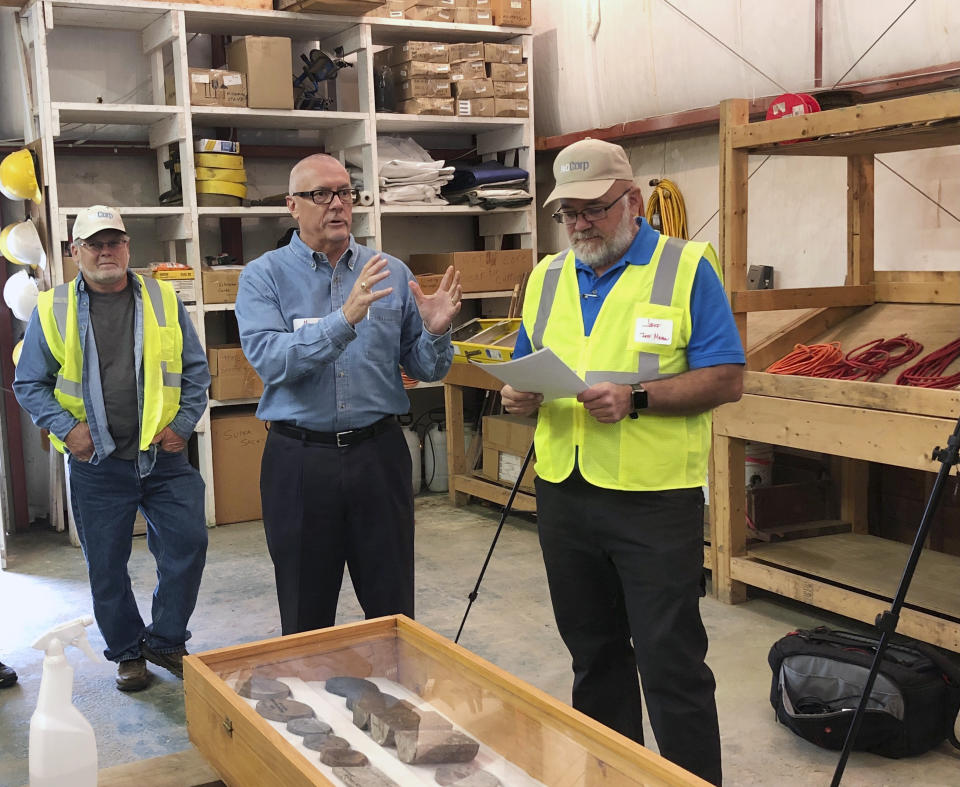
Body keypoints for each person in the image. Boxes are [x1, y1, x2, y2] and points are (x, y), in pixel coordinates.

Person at [501, 139, 744, 786]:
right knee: (594, 658)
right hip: (565, 494)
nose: (580, 224)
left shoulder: (687, 268)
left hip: (652, 501)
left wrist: (639, 397)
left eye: (594, 209)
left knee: (672, 667)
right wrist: (517, 394)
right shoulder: (548, 277)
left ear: (632, 201)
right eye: (568, 213)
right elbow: (527, 365)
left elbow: (726, 378)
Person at [235, 153, 461, 636]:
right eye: (321, 194)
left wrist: (437, 333)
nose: (336, 204)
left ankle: (392, 710)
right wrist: (345, 320)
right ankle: (311, 709)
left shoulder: (392, 272)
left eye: (344, 193)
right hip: (299, 459)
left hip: (378, 456)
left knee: (392, 606)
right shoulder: (263, 276)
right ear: (293, 206)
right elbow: (273, 361)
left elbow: (422, 368)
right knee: (304, 608)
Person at [14, 206, 210, 693]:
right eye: (94, 244)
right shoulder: (52, 307)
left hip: (163, 457)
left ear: (127, 246)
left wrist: (183, 425)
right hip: (97, 462)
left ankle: (165, 638)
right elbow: (29, 383)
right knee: (106, 565)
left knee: (188, 544)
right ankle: (127, 652)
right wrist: (68, 429)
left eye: (114, 242)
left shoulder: (163, 299)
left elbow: (195, 372)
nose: (106, 252)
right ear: (75, 252)